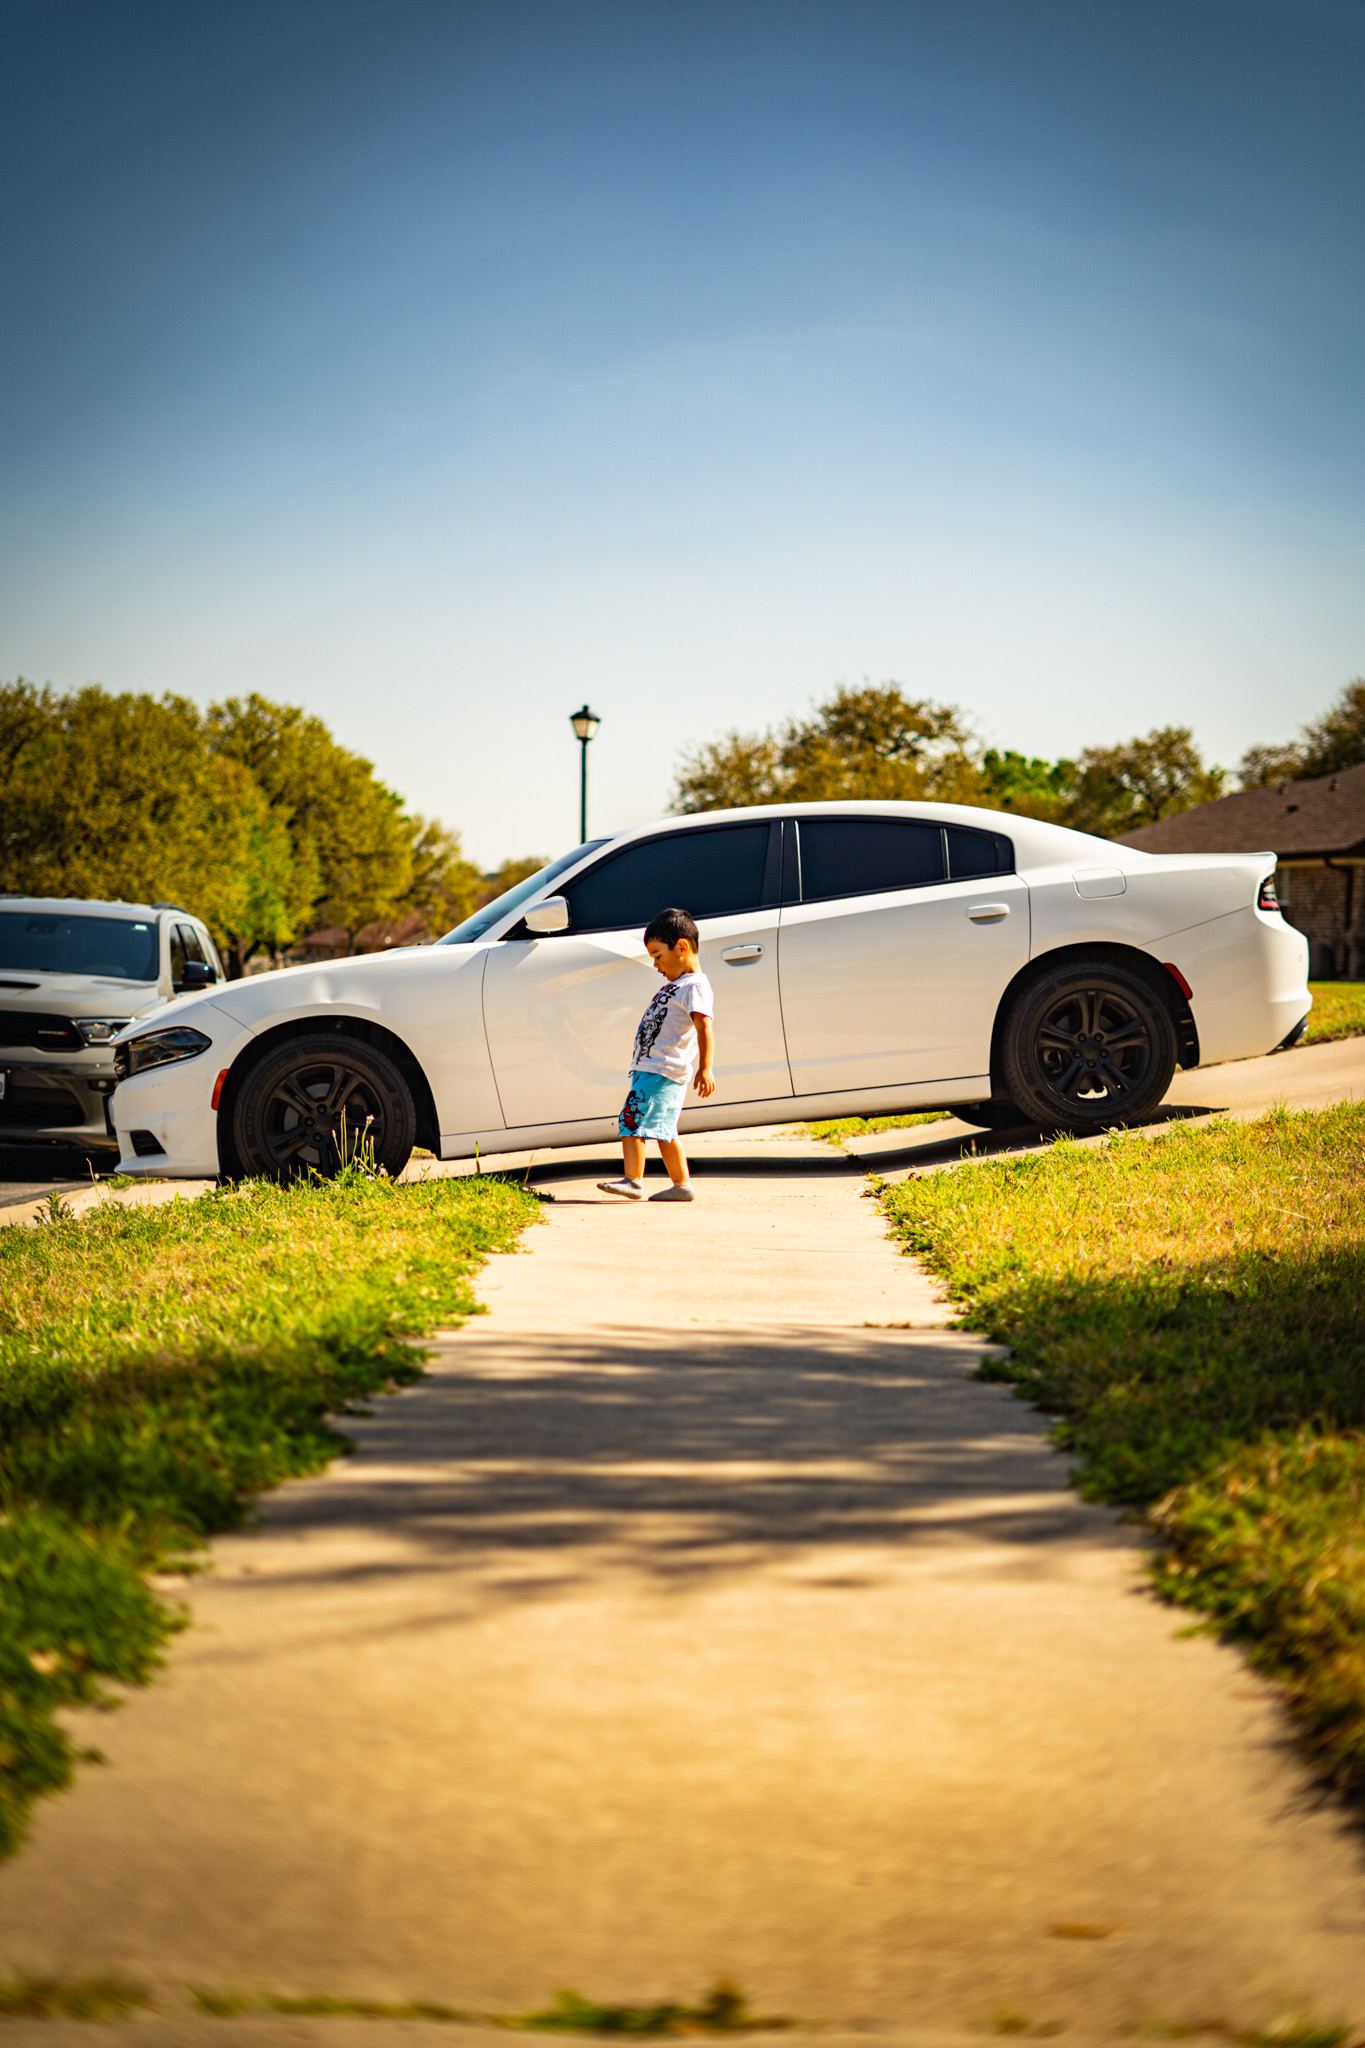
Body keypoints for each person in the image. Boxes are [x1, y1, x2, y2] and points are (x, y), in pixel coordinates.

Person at [597, 906, 716, 1203]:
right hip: (653, 1070)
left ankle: (633, 1181)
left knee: (631, 1120)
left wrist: (706, 1068)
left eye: (657, 955)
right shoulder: (677, 985)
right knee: (664, 1130)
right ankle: (682, 1185)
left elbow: (705, 1028)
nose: (656, 965)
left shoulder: (695, 986)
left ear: (682, 947)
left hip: (662, 1070)